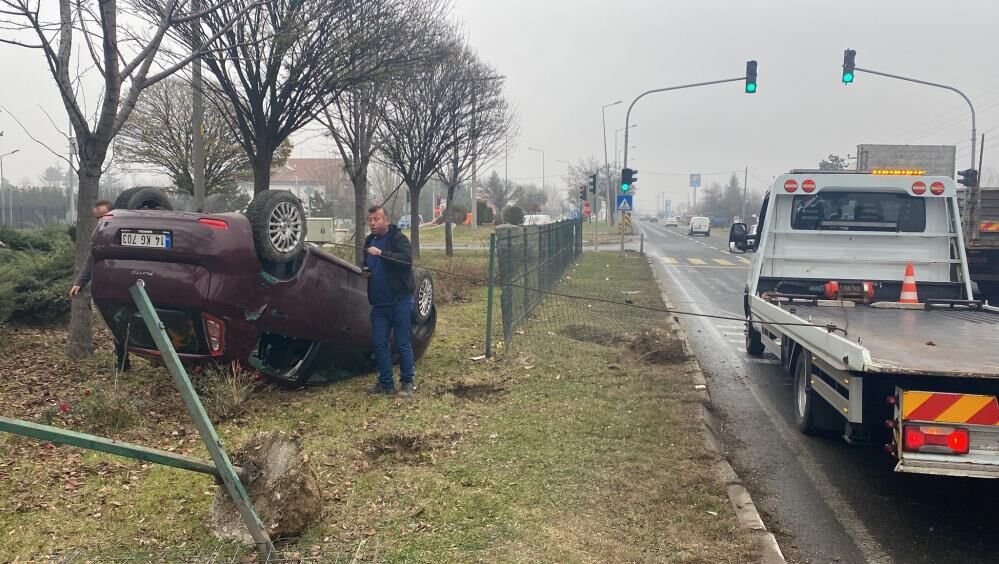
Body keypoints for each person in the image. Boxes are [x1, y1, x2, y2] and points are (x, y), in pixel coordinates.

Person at [70, 200, 130, 371]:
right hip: (108, 290)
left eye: (102, 217)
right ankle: (123, 363)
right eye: (97, 218)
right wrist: (80, 282)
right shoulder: (101, 235)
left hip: (126, 288)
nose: (99, 222)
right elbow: (92, 258)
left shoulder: (122, 232)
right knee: (115, 325)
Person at [363, 205, 416, 396]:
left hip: (400, 301)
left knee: (402, 343)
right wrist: (365, 271)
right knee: (379, 343)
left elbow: (406, 260)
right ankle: (385, 384)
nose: (372, 223)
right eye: (370, 220)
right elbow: (366, 262)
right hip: (379, 304)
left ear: (386, 220)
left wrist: (382, 254)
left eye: (376, 219)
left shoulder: (398, 239)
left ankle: (407, 383)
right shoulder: (369, 241)